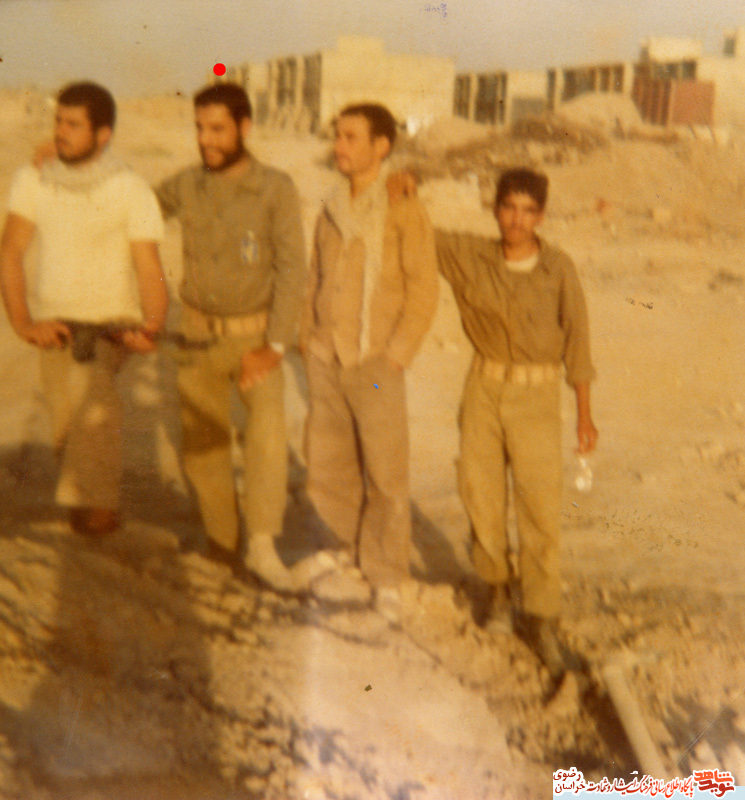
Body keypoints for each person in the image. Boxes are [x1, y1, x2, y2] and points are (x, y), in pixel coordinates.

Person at [434, 167, 598, 680]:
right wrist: (403, 191)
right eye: (508, 207)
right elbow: (416, 232)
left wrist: (585, 415)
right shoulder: (470, 255)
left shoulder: (558, 269)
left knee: (539, 507)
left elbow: (578, 341)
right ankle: (499, 593)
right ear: (495, 209)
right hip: (483, 388)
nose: (517, 220)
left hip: (536, 396)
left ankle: (541, 617)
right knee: (480, 495)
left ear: (541, 216)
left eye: (528, 211)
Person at [155, 83, 307, 592]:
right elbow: (135, 208)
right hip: (195, 335)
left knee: (266, 441)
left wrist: (275, 346)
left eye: (217, 129)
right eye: (199, 128)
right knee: (203, 445)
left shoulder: (275, 188)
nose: (206, 140)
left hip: (255, 338)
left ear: (244, 128)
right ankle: (222, 545)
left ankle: (262, 548)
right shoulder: (187, 185)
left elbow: (292, 270)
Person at [0, 81, 168, 536]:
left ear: (103, 134)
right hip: (54, 328)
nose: (60, 132)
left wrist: (152, 326)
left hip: (108, 329)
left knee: (93, 421)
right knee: (66, 432)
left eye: (73, 124)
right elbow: (10, 250)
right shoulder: (33, 179)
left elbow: (148, 266)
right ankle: (92, 517)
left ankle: (101, 521)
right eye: (58, 121)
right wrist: (22, 322)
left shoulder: (129, 187)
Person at [300, 103, 439, 621]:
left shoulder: (402, 206)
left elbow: (423, 289)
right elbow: (315, 277)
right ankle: (343, 548)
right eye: (337, 136)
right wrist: (308, 338)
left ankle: (385, 573)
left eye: (351, 138)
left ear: (381, 147)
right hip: (327, 356)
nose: (339, 147)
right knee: (330, 462)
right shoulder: (332, 205)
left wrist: (396, 356)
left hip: (376, 363)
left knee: (384, 471)